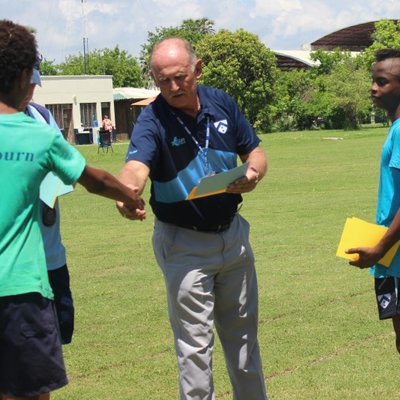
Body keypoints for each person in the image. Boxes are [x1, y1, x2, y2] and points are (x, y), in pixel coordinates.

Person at [0, 19, 145, 400]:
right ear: (21, 76)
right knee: (32, 392)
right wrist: (130, 196)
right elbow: (93, 178)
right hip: (20, 290)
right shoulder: (38, 135)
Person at [117, 37, 269, 400]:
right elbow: (135, 167)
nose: (172, 87)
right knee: (195, 352)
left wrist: (252, 175)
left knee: (245, 343)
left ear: (197, 70)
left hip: (233, 238)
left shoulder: (221, 102)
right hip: (183, 245)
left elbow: (256, 151)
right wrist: (127, 192)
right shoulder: (152, 119)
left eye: (180, 77)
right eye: (163, 80)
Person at [346, 49, 400, 353]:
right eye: (373, 81)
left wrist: (381, 247)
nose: (373, 88)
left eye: (383, 82)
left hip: (394, 257)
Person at [20, 60, 75, 345]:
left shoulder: (41, 116)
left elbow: (68, 166)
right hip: (15, 267)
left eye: (33, 83)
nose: (30, 90)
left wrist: (51, 195)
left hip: (52, 257)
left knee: (58, 334)